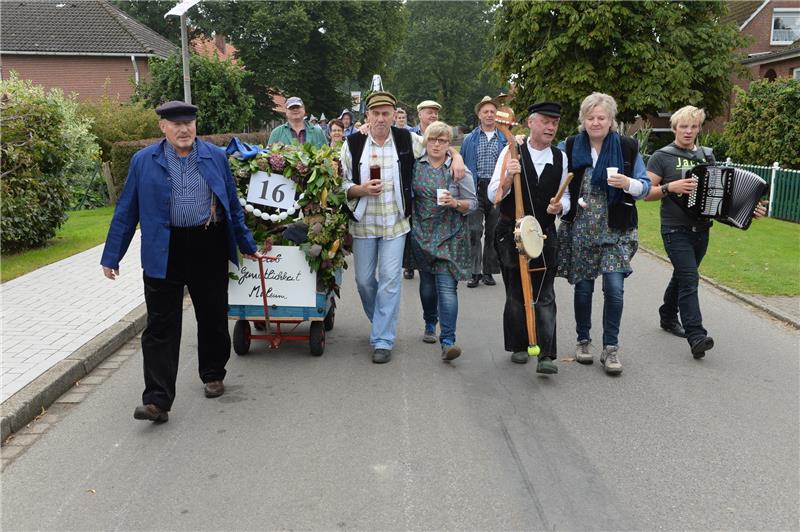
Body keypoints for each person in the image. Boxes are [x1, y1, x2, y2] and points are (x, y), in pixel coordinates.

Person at [100, 101, 260, 422]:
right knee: (160, 324)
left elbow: (232, 205)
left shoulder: (215, 157)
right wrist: (112, 255)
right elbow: (126, 210)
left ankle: (213, 372)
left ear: (195, 125)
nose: (184, 129)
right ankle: (157, 400)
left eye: (189, 122)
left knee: (212, 314)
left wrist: (246, 244)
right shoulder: (144, 161)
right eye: (176, 124)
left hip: (208, 243)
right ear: (163, 128)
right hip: (164, 247)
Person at [340, 91, 464, 364]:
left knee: (390, 280)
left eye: (386, 113)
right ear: (368, 116)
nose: (381, 119)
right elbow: (341, 183)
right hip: (363, 225)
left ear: (394, 116)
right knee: (363, 282)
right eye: (376, 114)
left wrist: (456, 157)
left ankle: (383, 339)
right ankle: (380, 322)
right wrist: (359, 189)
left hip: (396, 224)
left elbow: (438, 143)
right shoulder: (352, 144)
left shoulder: (407, 139)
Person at [645, 105, 766, 360]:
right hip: (674, 228)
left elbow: (720, 196)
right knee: (690, 278)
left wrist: (748, 210)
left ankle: (667, 315)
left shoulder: (706, 156)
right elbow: (646, 193)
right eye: (683, 127)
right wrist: (671, 186)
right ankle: (696, 336)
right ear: (674, 128)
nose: (688, 131)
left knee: (682, 276)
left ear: (699, 128)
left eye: (693, 126)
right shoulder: (661, 156)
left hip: (701, 230)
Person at [557, 92, 651, 375]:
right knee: (584, 288)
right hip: (582, 229)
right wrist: (567, 204)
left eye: (602, 117)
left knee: (614, 288)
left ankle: (610, 348)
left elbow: (645, 187)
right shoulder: (570, 146)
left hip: (616, 230)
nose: (596, 122)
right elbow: (557, 181)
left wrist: (628, 183)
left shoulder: (627, 148)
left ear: (611, 121)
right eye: (591, 117)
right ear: (582, 120)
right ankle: (583, 340)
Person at [488, 102, 570, 374]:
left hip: (544, 232)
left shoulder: (560, 158)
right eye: (545, 121)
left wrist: (560, 207)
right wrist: (508, 179)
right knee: (515, 291)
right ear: (531, 123)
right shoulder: (511, 151)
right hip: (511, 231)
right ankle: (520, 345)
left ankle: (546, 354)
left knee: (545, 294)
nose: (550, 127)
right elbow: (493, 195)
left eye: (554, 123)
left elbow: (566, 198)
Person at [408, 121, 477, 361]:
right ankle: (429, 322)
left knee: (447, 289)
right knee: (427, 287)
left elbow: (473, 202)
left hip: (450, 235)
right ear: (425, 142)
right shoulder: (415, 166)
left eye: (442, 140)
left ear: (449, 144)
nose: (437, 144)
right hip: (422, 234)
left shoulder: (459, 170)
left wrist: (456, 203)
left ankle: (448, 341)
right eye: (433, 140)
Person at [461, 95, 505, 288]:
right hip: (475, 188)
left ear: (496, 115)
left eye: (492, 112)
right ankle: (474, 271)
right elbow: (461, 164)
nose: (489, 115)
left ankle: (488, 271)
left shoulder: (504, 138)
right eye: (485, 111)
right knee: (474, 230)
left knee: (493, 231)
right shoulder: (469, 139)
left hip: (497, 188)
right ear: (479, 115)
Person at [405, 99, 443, 279]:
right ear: (419, 114)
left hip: (433, 192)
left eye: (435, 112)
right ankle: (410, 264)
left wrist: (456, 156)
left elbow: (446, 149)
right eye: (429, 112)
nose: (433, 115)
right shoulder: (408, 134)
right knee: (410, 229)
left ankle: (432, 261)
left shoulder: (442, 133)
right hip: (411, 189)